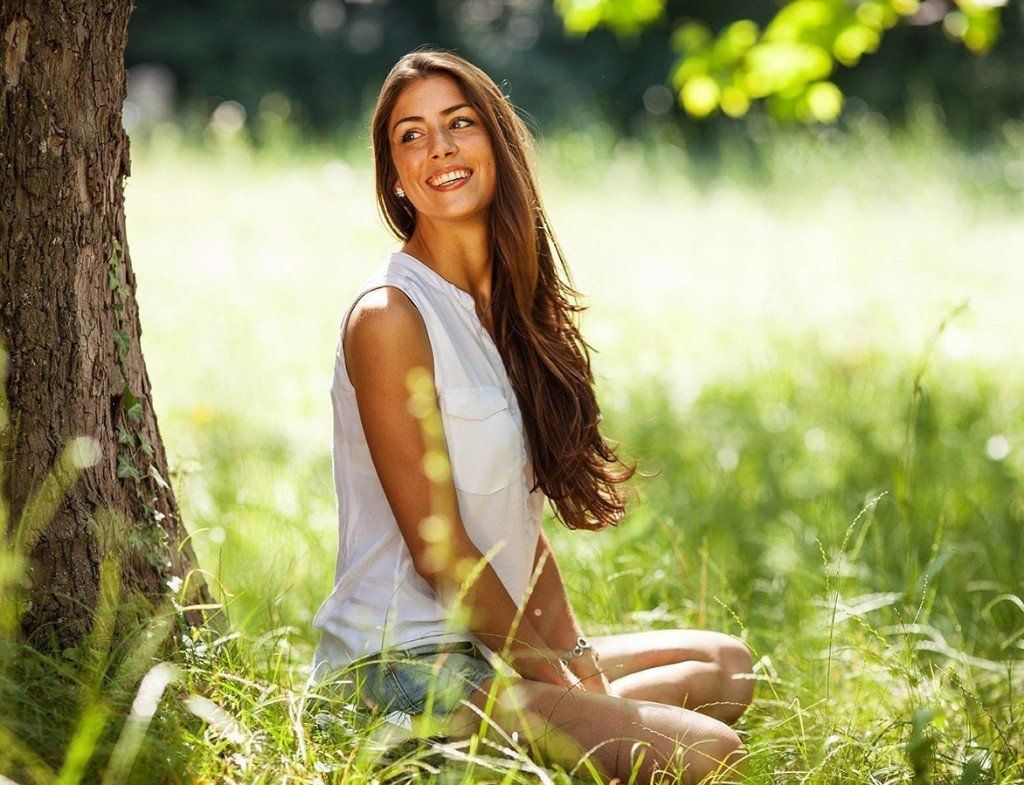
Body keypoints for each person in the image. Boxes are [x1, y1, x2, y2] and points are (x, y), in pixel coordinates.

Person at [309, 47, 754, 784]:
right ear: (394, 177)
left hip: (481, 645)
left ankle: (545, 735)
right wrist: (562, 682)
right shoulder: (390, 315)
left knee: (728, 667)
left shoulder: (502, 315)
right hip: (399, 664)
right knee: (707, 749)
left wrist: (578, 668)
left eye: (459, 123)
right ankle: (450, 744)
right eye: (411, 136)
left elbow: (520, 534)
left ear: (497, 143)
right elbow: (442, 548)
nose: (440, 147)